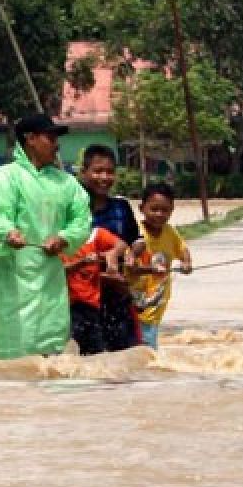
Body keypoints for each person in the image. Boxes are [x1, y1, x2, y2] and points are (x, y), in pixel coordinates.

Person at [0, 113, 93, 360]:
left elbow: (82, 220)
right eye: (50, 137)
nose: (56, 144)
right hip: (12, 279)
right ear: (30, 139)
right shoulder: (5, 177)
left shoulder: (66, 183)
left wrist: (64, 238)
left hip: (50, 277)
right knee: (16, 354)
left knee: (51, 346)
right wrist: (8, 233)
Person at [76, 144, 142, 351]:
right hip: (83, 300)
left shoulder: (121, 207)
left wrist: (127, 253)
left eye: (109, 172)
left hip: (118, 294)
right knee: (90, 359)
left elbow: (137, 240)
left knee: (126, 357)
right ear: (84, 172)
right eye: (97, 171)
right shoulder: (74, 210)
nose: (104, 177)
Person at [127, 183, 192, 349]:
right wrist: (151, 269)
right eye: (154, 209)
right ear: (142, 208)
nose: (159, 214)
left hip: (156, 305)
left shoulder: (170, 232)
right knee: (142, 349)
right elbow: (130, 266)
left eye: (165, 210)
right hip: (132, 303)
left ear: (172, 210)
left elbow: (182, 249)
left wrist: (186, 263)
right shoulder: (136, 233)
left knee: (147, 347)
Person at [61, 226, 127, 356]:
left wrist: (112, 253)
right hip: (68, 306)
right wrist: (82, 262)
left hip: (91, 306)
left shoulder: (96, 234)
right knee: (69, 349)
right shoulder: (58, 240)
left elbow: (122, 245)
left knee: (96, 353)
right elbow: (60, 271)